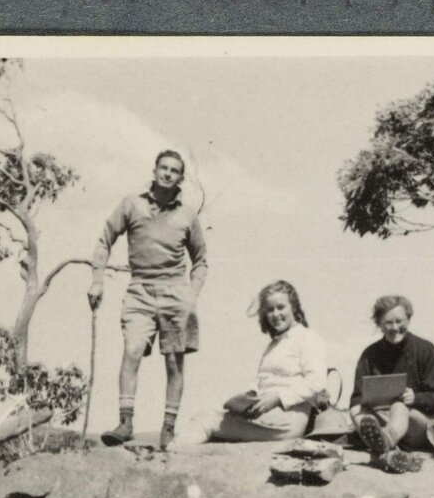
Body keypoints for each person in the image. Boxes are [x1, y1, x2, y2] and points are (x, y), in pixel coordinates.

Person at [87, 149, 207, 450]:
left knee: (174, 361)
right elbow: (105, 239)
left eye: (174, 170)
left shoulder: (187, 215)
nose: (167, 174)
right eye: (163, 168)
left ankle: (168, 428)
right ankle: (126, 423)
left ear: (181, 177)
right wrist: (98, 280)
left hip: (175, 291)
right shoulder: (132, 204)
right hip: (139, 289)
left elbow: (201, 260)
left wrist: (191, 294)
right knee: (132, 349)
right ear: (154, 171)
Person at [178, 280, 327, 444]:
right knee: (210, 416)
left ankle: (174, 454)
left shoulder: (308, 338)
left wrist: (278, 398)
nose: (275, 314)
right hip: (268, 414)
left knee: (208, 419)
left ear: (294, 307)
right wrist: (249, 396)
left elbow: (317, 382)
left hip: (287, 420)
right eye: (270, 310)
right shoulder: (275, 344)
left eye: (281, 307)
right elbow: (263, 380)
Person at [349, 295, 434, 472]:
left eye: (399, 321)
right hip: (382, 419)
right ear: (379, 324)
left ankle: (385, 441)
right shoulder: (369, 355)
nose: (395, 328)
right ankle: (388, 454)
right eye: (388, 322)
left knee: (398, 407)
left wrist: (415, 398)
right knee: (356, 410)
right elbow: (357, 399)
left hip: (423, 426)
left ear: (409, 319)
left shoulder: (426, 349)